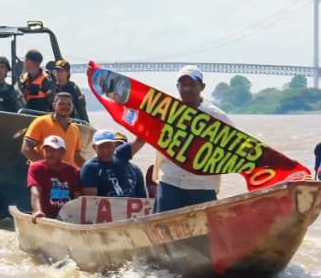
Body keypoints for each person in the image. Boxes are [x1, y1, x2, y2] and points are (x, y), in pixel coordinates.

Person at [156, 65, 233, 213]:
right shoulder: (164, 110)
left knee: (205, 231)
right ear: (177, 86)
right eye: (183, 84)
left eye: (192, 84)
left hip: (202, 183)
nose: (187, 89)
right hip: (170, 180)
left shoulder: (217, 117)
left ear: (202, 86)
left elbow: (237, 145)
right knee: (163, 228)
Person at [21, 92, 84, 167]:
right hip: (42, 174)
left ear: (73, 107)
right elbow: (26, 149)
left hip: (64, 175)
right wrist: (46, 167)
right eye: (61, 104)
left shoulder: (74, 128)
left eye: (68, 104)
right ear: (54, 105)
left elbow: (76, 156)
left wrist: (90, 170)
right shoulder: (41, 122)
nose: (65, 107)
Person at [26, 135, 82, 218]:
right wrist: (38, 211)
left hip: (67, 217)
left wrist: (77, 216)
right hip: (45, 216)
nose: (49, 154)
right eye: (47, 150)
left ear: (63, 152)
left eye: (54, 150)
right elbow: (35, 191)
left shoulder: (73, 171)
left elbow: (77, 196)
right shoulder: (36, 168)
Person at [81, 130, 145, 197]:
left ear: (114, 145)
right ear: (94, 147)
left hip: (132, 204)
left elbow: (140, 140)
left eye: (109, 146)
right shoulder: (90, 168)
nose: (105, 151)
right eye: (101, 147)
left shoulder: (121, 155)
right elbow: (91, 201)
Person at [114, 131, 147, 197]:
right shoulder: (101, 167)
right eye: (115, 145)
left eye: (120, 145)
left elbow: (142, 195)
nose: (117, 148)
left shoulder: (135, 170)